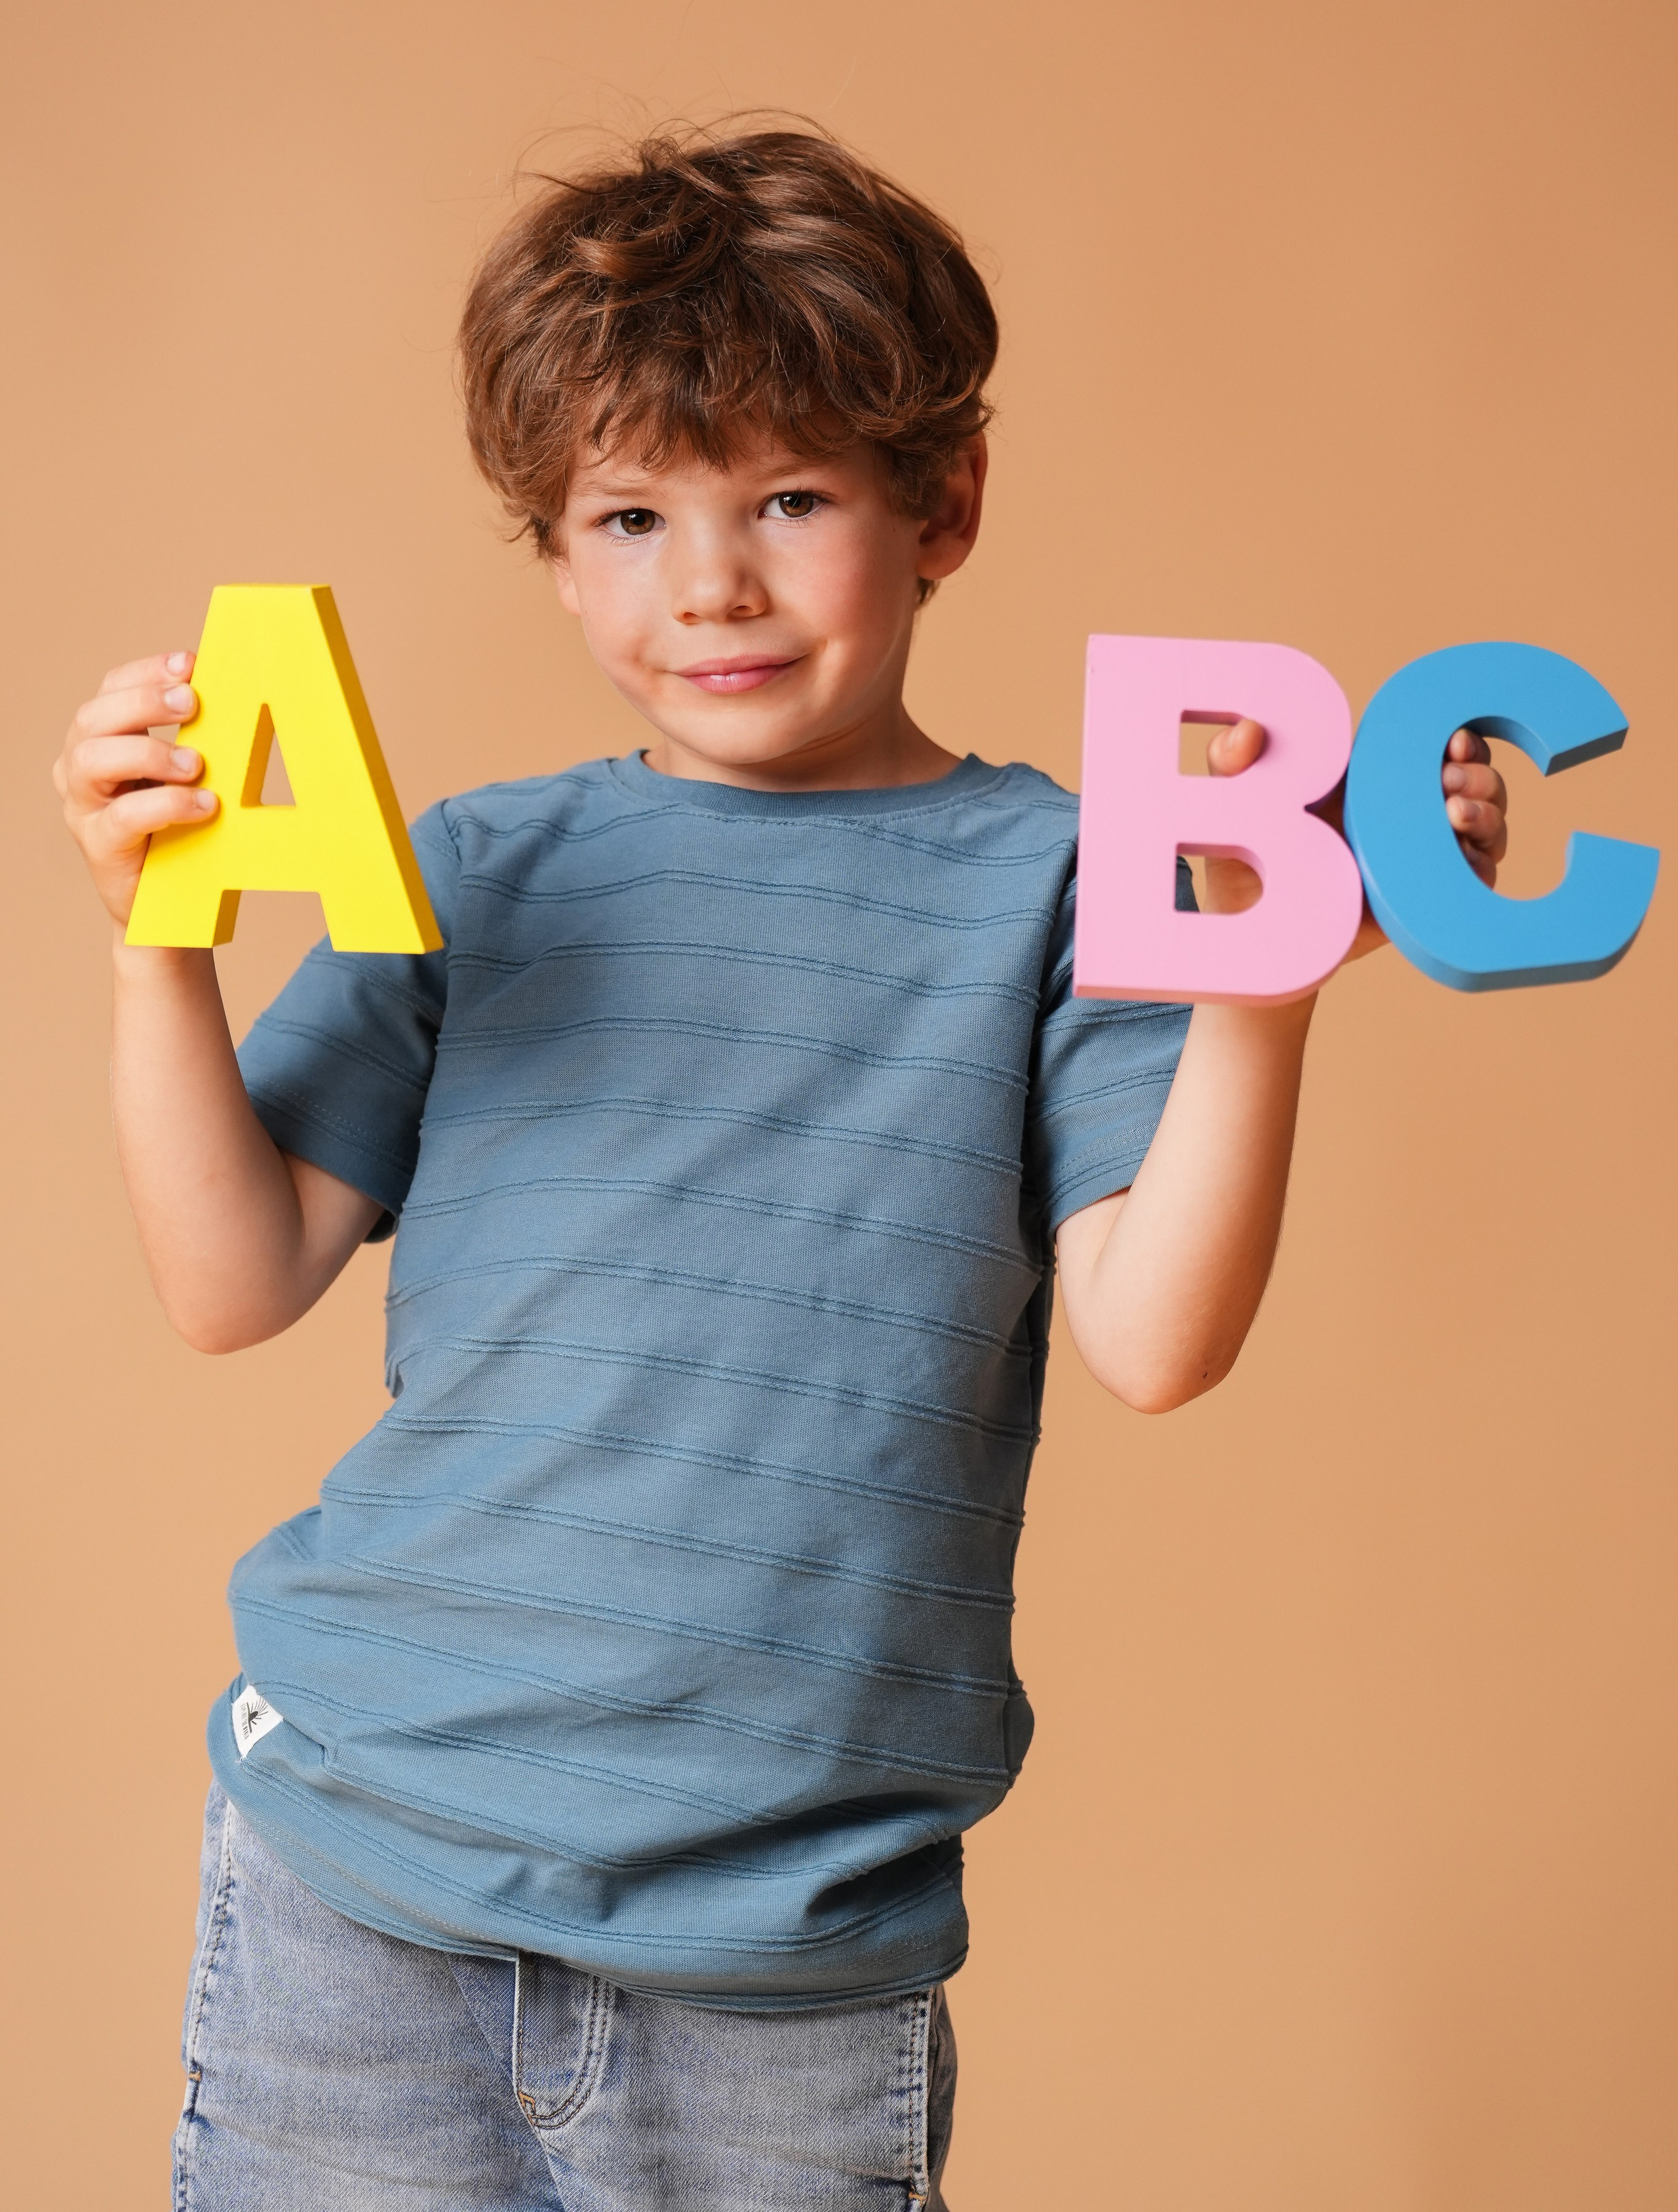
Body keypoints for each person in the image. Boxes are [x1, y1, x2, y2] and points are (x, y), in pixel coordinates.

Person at [54, 127, 1509, 2210]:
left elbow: (1155, 1335)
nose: (708, 586)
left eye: (792, 500)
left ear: (948, 507)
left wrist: (1264, 995)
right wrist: (154, 950)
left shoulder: (1066, 888)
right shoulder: (481, 868)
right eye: (630, 517)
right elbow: (233, 1274)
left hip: (783, 1962)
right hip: (356, 1881)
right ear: (551, 552)